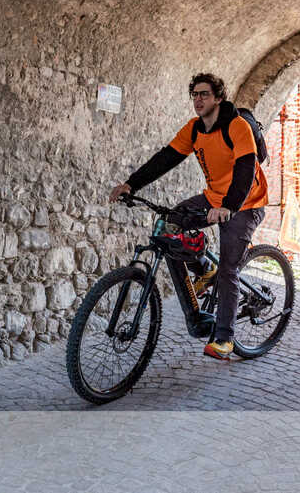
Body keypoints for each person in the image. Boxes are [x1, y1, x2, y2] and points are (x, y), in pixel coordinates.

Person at [108, 73, 268, 360]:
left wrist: (229, 207)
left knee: (229, 269)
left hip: (246, 203)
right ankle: (204, 270)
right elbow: (165, 158)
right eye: (195, 94)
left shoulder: (237, 126)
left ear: (218, 98)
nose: (198, 99)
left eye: (204, 94)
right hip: (214, 198)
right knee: (169, 228)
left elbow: (246, 169)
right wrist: (131, 184)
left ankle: (224, 338)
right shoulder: (194, 129)